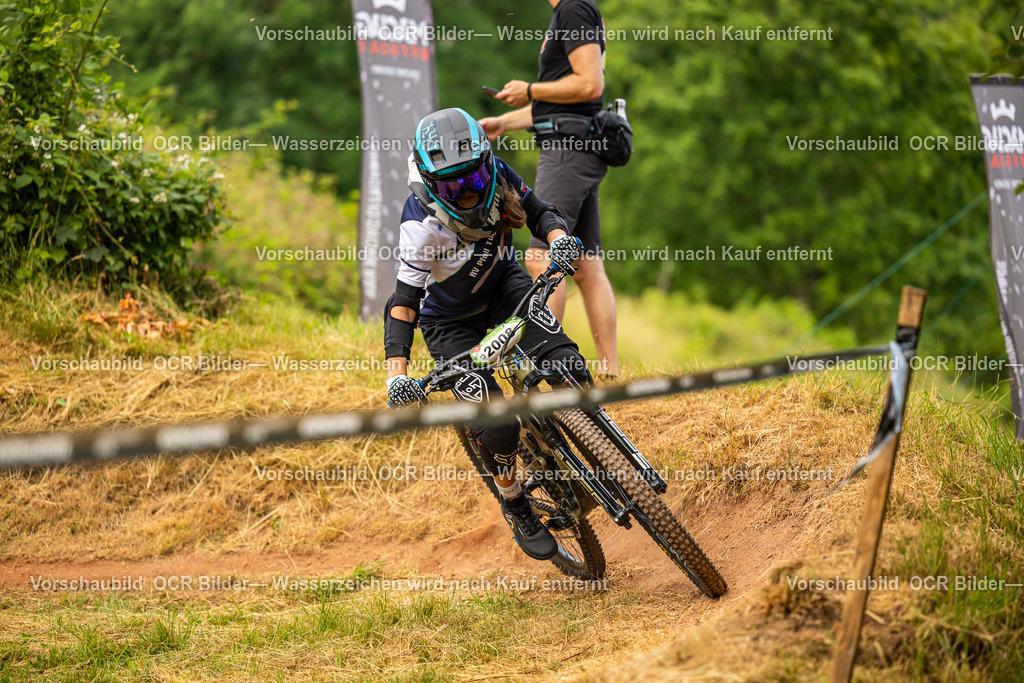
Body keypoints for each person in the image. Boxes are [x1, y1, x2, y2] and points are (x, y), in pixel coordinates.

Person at [383, 107, 594, 562]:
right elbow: (402, 303)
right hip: (450, 326)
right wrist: (395, 374)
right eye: (451, 187)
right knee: (497, 427)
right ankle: (515, 500)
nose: (465, 194)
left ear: (486, 162)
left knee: (569, 365)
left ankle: (594, 448)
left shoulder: (497, 173)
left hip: (505, 288)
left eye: (473, 181)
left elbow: (539, 212)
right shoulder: (419, 227)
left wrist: (558, 240)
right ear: (430, 183)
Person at [479, 0, 618, 379]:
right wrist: (503, 123)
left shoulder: (573, 9)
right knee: (586, 266)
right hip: (577, 144)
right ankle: (608, 372)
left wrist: (529, 88)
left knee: (542, 257)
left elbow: (589, 84)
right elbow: (561, 104)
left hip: (568, 151)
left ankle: (550, 365)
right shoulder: (575, 11)